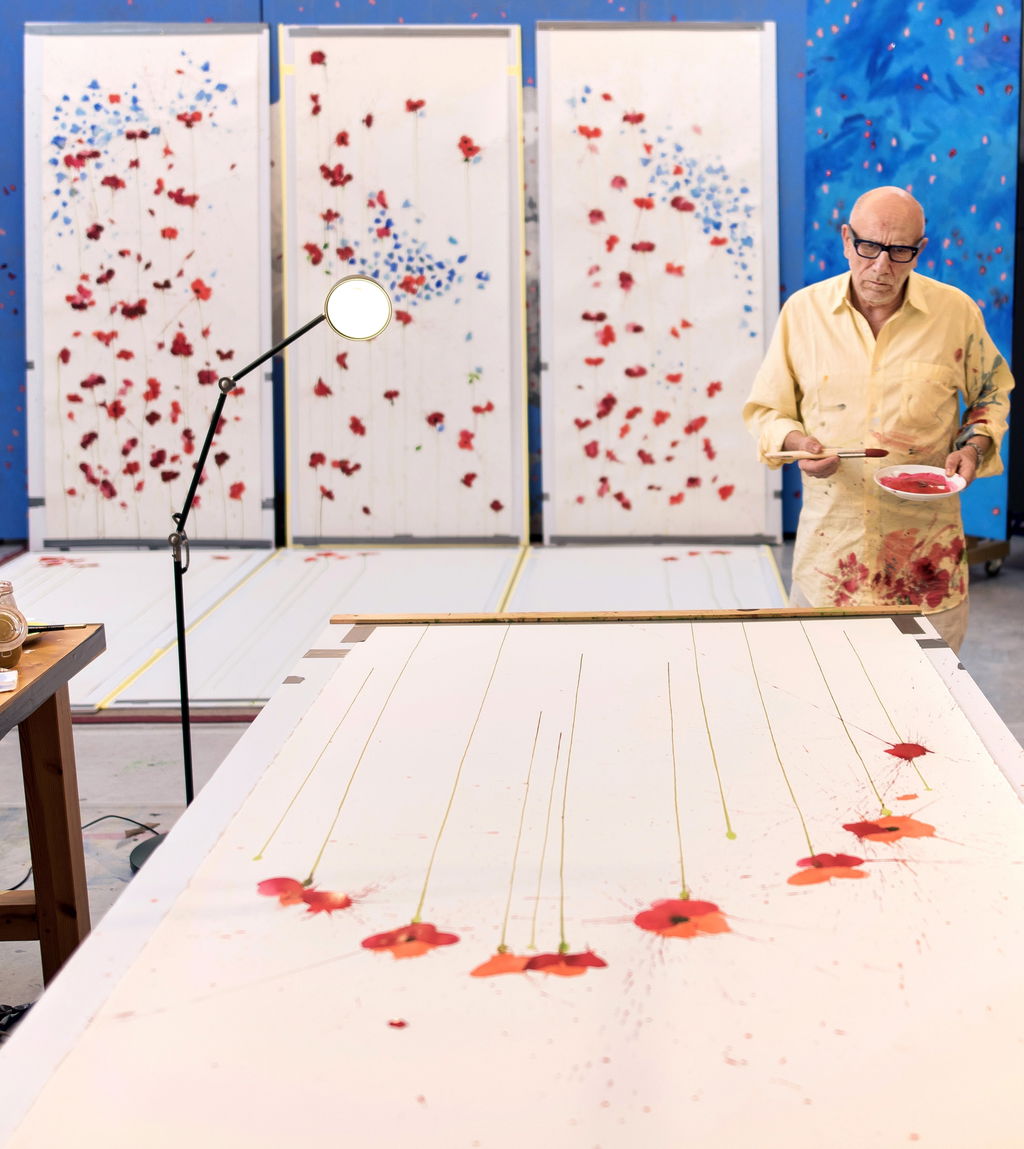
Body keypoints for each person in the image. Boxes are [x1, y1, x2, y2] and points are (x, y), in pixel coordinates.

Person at [743, 186, 1013, 653]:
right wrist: (796, 442)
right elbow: (767, 410)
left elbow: (992, 391)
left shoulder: (955, 314)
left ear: (920, 250)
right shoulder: (803, 314)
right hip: (829, 564)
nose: (882, 267)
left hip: (926, 568)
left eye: (900, 251)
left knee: (927, 697)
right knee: (821, 691)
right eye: (868, 247)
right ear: (846, 240)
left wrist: (973, 446)